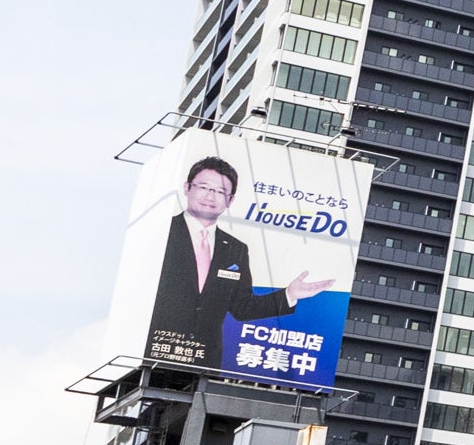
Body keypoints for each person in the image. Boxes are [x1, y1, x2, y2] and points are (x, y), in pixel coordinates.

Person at [143, 153, 335, 370]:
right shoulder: (161, 230)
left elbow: (242, 307)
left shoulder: (236, 249)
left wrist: (289, 295)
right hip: (152, 349)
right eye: (204, 187)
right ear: (187, 188)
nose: (210, 196)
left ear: (230, 200)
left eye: (220, 192)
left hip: (203, 359)